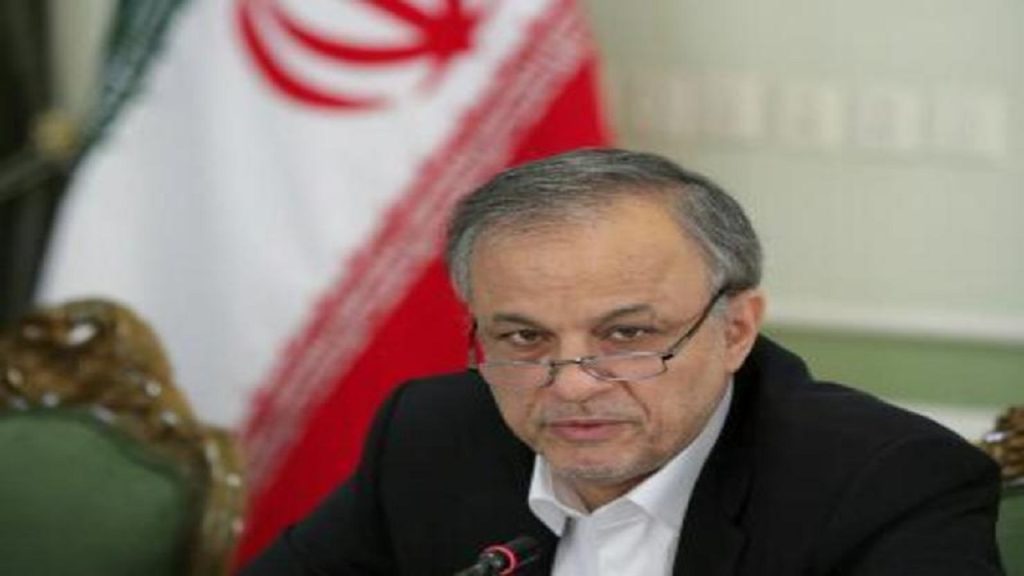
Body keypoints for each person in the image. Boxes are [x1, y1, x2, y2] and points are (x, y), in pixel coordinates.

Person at [241, 149, 1003, 575]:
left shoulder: (882, 482)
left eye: (628, 335)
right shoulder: (432, 435)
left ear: (736, 329)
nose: (572, 384)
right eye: (524, 339)